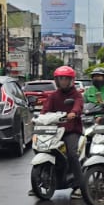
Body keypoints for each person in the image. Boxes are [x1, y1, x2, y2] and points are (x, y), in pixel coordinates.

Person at [38, 65, 87, 195]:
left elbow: (78, 106)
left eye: (66, 79)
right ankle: (39, 181)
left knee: (72, 155)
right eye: (61, 79)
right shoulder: (54, 96)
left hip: (71, 130)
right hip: (54, 130)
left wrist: (73, 113)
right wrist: (39, 118)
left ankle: (79, 185)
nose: (63, 81)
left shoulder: (76, 95)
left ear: (71, 80)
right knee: (41, 148)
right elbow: (45, 110)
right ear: (57, 81)